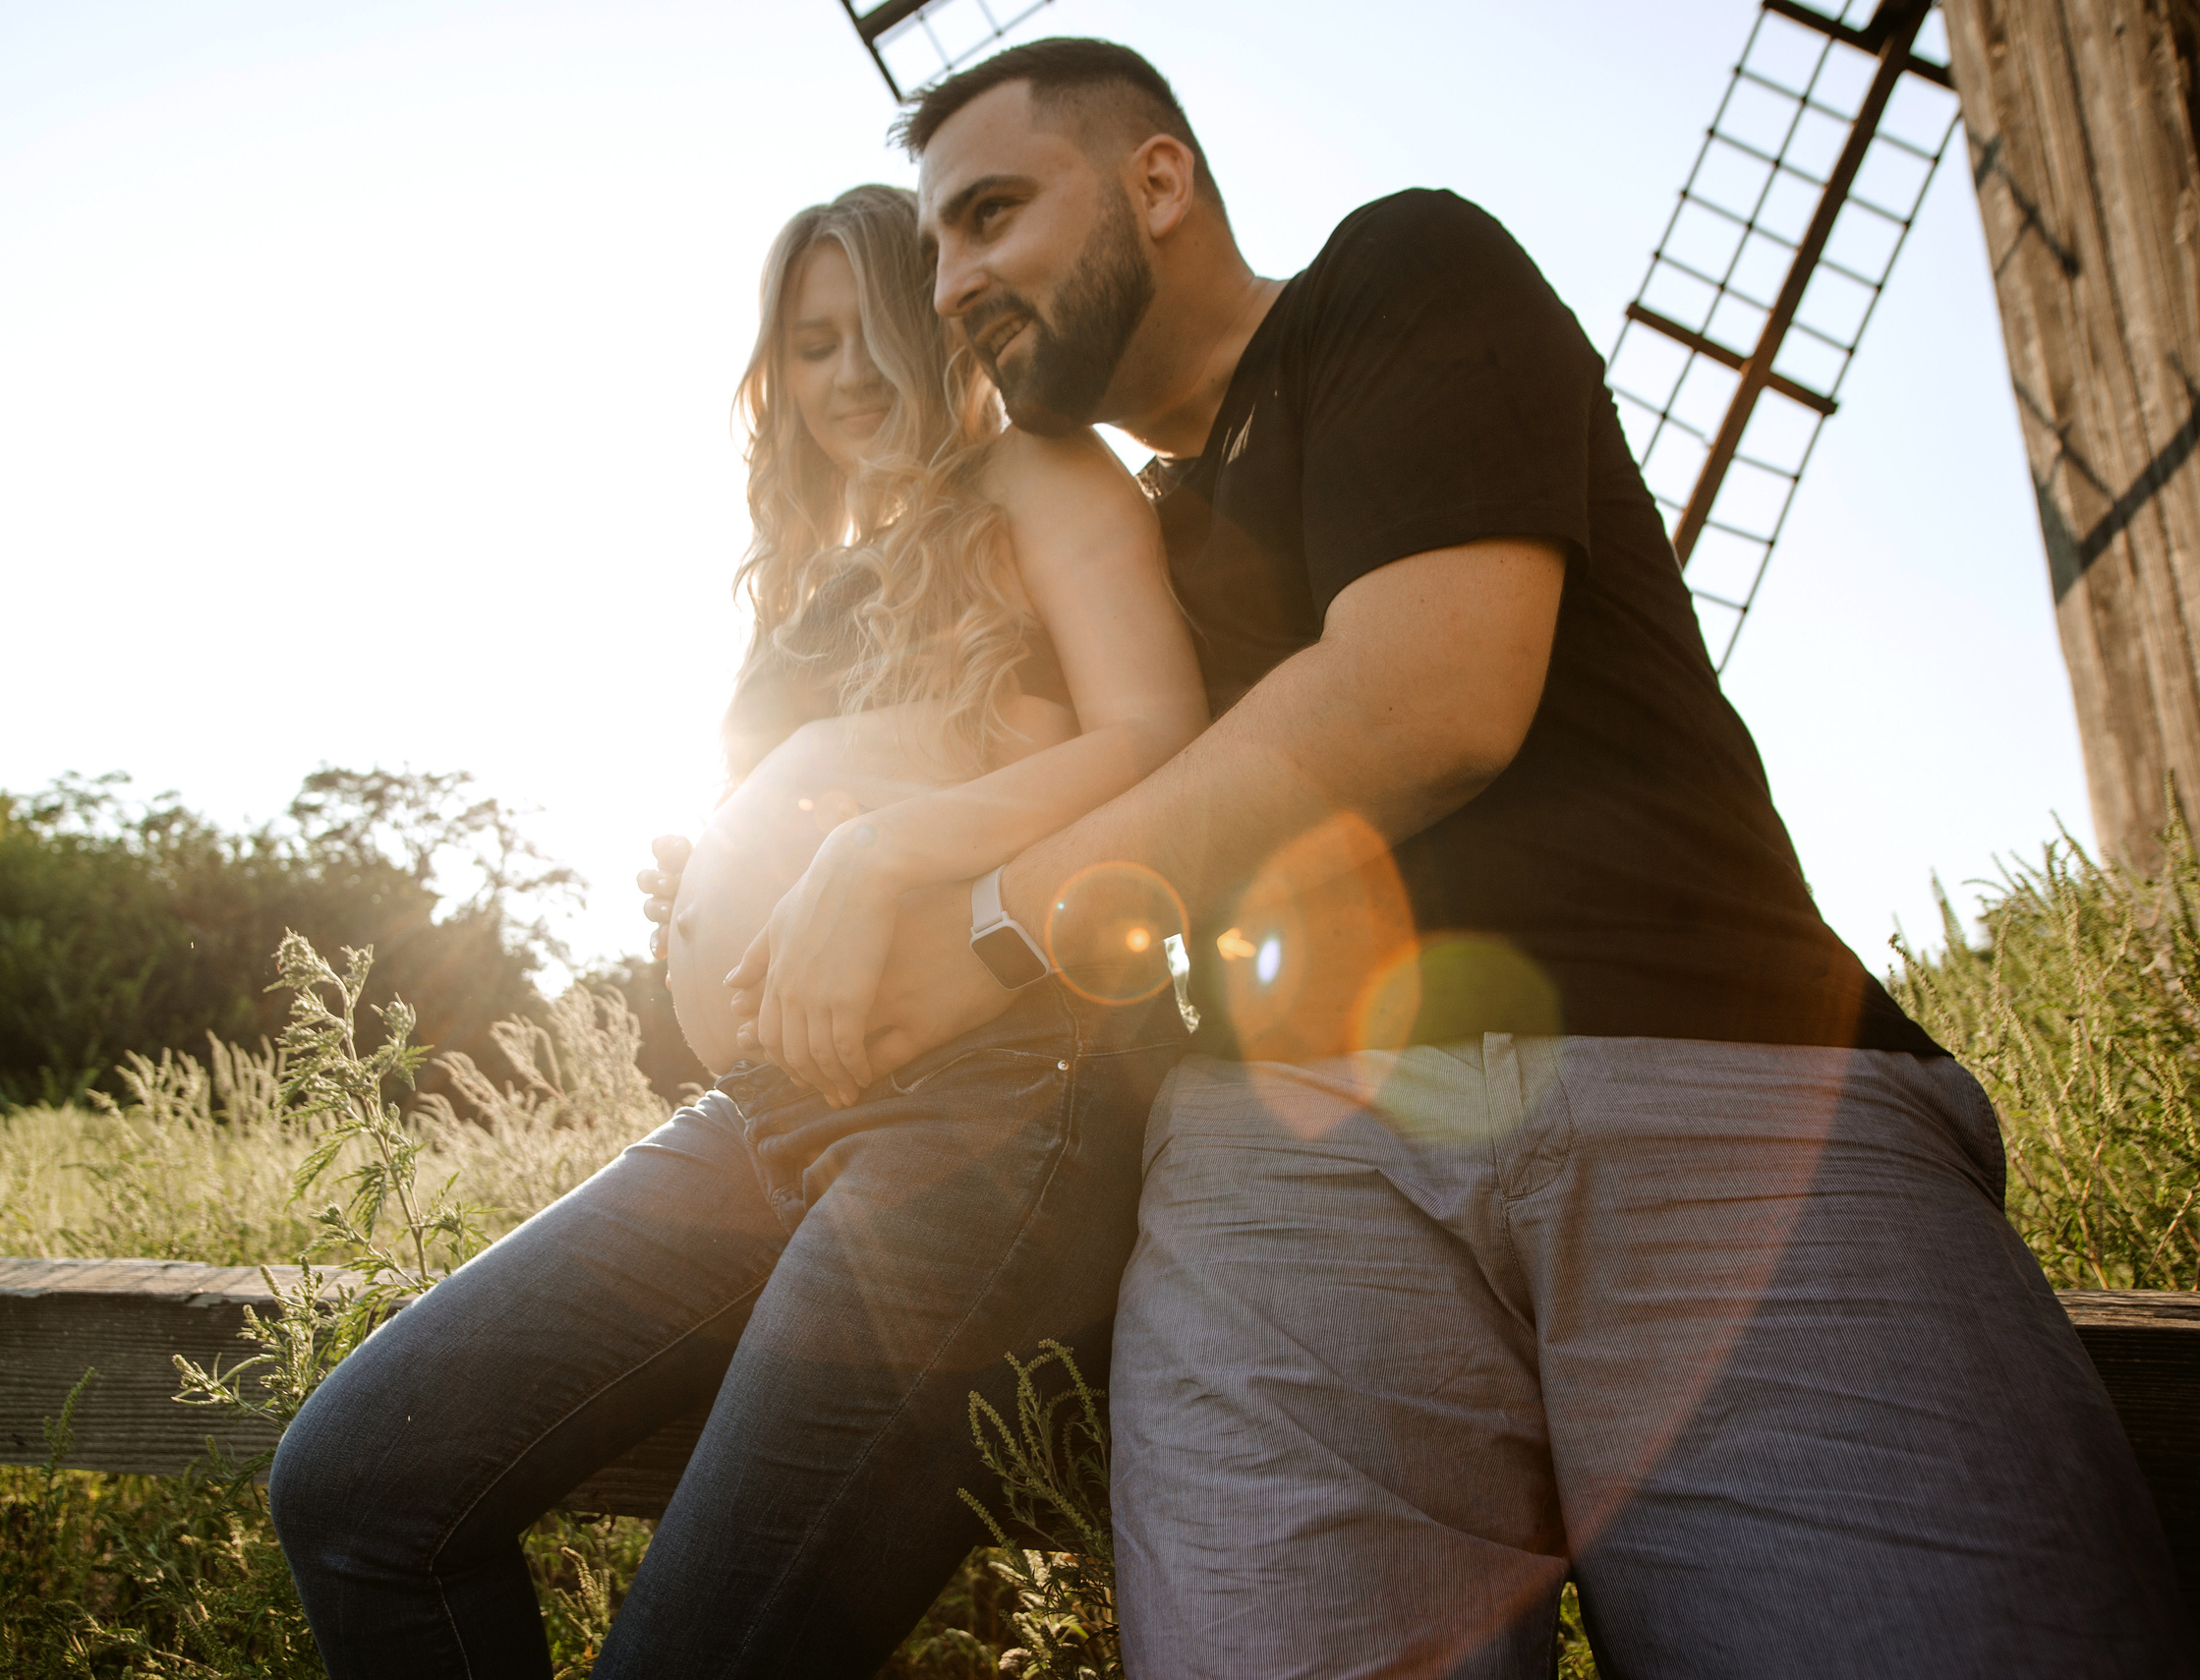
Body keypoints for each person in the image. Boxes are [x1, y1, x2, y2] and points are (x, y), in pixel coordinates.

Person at [656, 37, 2190, 1679]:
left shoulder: (1401, 276)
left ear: (1159, 180)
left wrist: (990, 923)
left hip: (1718, 1077)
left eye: (992, 212)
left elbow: (1431, 689)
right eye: (938, 240)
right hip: (1282, 1136)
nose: (949, 280)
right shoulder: (1114, 561)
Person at [266, 182, 1207, 1678]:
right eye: (810, 344)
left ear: (943, 324)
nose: (843, 377)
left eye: (873, 333)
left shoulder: (1044, 475)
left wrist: (881, 852)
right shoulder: (836, 561)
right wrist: (722, 874)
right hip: (768, 1106)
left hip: (988, 1109)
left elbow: (1162, 736)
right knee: (358, 1486)